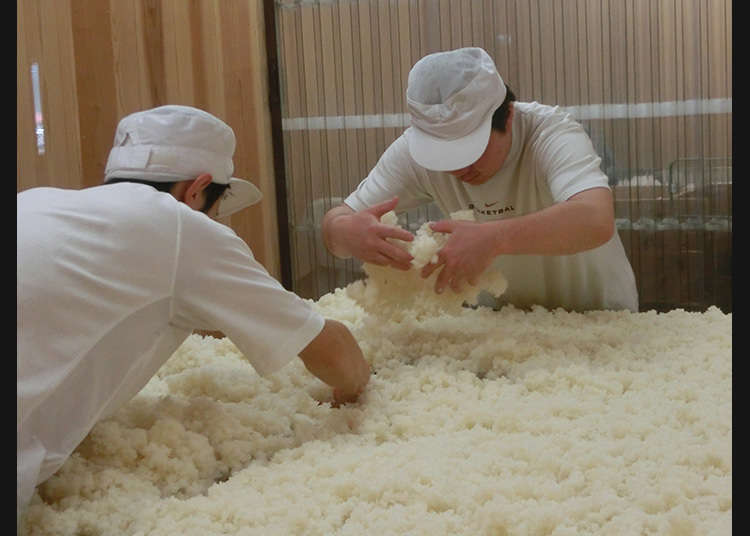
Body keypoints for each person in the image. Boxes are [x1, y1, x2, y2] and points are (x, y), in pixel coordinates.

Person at [17, 105, 371, 516]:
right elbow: (331, 351)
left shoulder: (36, 203)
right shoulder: (181, 226)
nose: (218, 222)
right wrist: (357, 389)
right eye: (217, 209)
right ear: (197, 188)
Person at [322, 47, 638, 313]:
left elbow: (595, 218)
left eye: (469, 150)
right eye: (442, 156)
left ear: (509, 116)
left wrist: (495, 238)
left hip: (597, 319)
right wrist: (343, 232)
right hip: (502, 325)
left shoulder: (550, 133)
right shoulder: (410, 152)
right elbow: (337, 222)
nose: (458, 170)